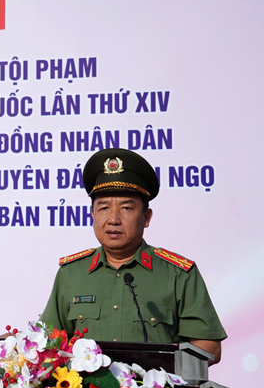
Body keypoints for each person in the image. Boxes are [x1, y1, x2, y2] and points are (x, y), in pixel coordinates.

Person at [39, 148, 227, 364]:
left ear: (146, 217)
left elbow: (209, 347)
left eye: (126, 208)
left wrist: (163, 376)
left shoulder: (178, 274)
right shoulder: (71, 274)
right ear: (92, 215)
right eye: (103, 208)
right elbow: (49, 342)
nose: (113, 219)